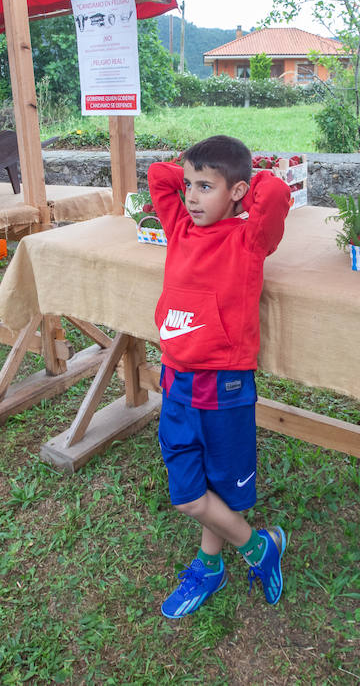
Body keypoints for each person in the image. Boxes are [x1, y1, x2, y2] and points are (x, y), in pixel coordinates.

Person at [145, 134, 293, 619]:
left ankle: (210, 565)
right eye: (189, 185)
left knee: (221, 487)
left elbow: (274, 194)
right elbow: (157, 178)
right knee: (189, 493)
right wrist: (195, 169)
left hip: (224, 385)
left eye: (205, 187)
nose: (190, 196)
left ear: (236, 192)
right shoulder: (180, 226)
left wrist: (239, 185)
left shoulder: (249, 238)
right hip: (175, 382)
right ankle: (258, 547)